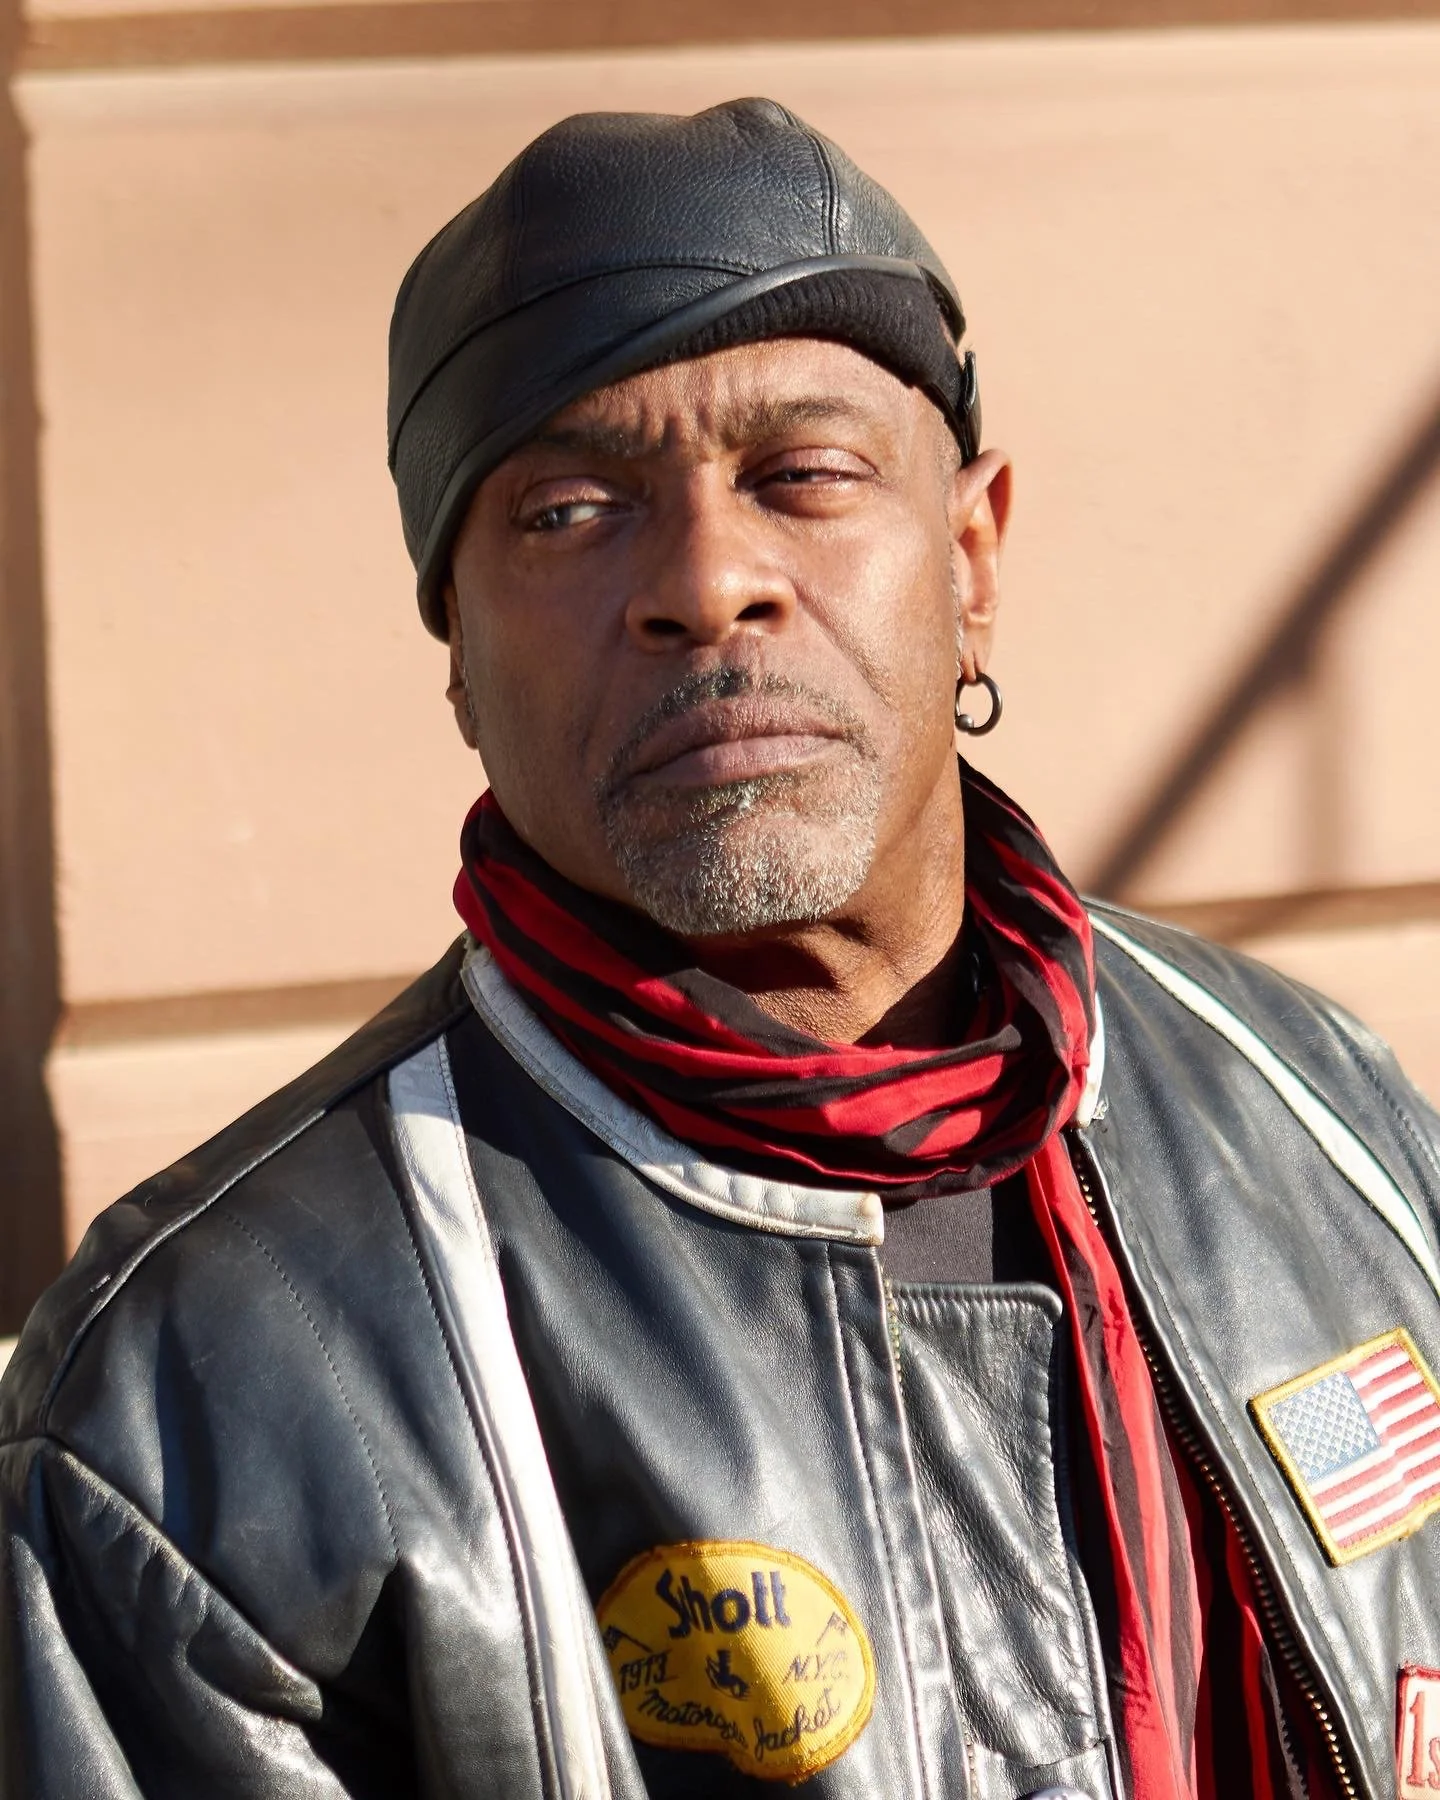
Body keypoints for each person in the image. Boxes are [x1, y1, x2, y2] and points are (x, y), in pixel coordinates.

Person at [2, 97, 1438, 1800]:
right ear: (454, 647)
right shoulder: (203, 1402)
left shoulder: (1326, 1120)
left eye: (804, 475)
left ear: (973, 558)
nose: (708, 577)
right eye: (566, 510)